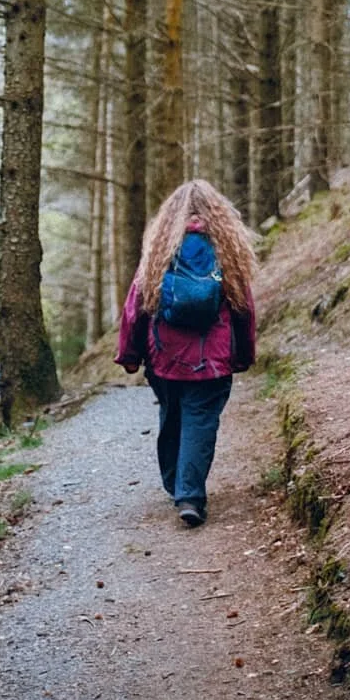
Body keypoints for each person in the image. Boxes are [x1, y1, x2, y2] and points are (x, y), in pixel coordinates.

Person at [116, 179, 258, 527]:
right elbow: (244, 308)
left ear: (170, 214)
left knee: (172, 414)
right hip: (212, 359)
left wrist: (130, 353)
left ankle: (176, 484)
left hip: (164, 356)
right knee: (201, 420)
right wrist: (244, 353)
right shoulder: (226, 249)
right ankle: (189, 494)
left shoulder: (161, 249)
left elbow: (137, 305)